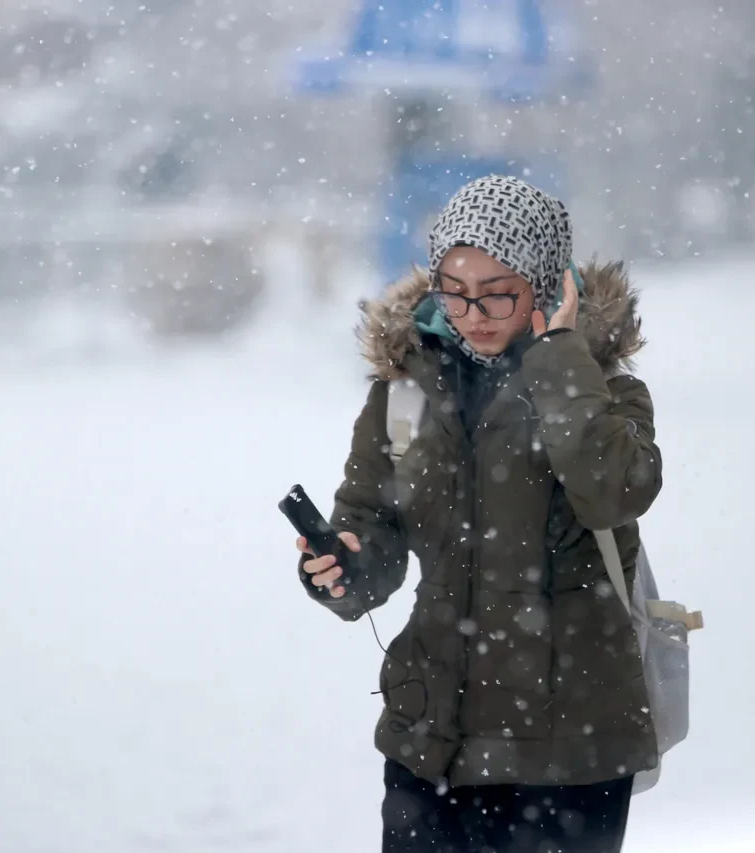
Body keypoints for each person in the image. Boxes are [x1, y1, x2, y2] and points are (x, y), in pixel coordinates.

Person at [294, 175, 663, 853]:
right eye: (454, 291)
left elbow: (614, 490)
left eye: (498, 291)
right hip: (430, 738)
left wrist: (557, 356)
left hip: (568, 748)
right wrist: (344, 563)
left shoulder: (603, 387)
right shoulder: (405, 391)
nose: (473, 312)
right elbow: (371, 523)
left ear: (547, 284)